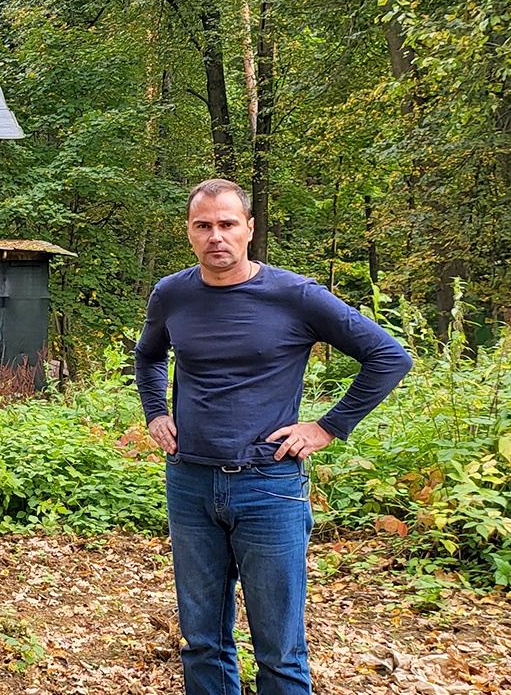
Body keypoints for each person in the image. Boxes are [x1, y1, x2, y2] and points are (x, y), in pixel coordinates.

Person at [135, 178, 413, 695]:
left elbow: (389, 357)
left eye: (227, 224)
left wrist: (327, 426)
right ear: (190, 233)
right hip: (190, 482)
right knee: (201, 641)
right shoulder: (172, 294)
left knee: (280, 651)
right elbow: (149, 356)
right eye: (204, 226)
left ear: (249, 229)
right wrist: (155, 412)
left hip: (270, 487)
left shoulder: (294, 295)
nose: (216, 236)